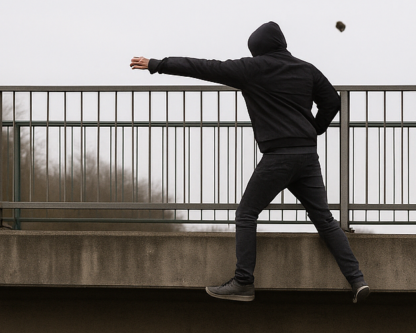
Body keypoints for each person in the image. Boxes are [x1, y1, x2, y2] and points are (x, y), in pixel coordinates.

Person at [130, 21, 370, 304]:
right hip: (307, 156)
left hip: (278, 157)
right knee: (325, 220)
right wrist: (315, 128)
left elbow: (203, 67)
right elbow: (332, 102)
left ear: (257, 49)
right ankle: (357, 281)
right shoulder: (306, 69)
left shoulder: (251, 69)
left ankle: (243, 282)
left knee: (246, 214)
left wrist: (157, 64)